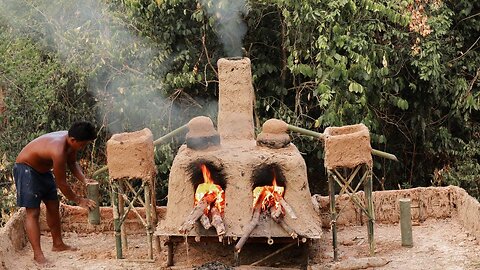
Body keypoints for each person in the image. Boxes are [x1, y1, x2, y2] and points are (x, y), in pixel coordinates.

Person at [13, 121, 97, 266]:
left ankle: (58, 244)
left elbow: (72, 163)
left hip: (43, 171)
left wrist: (83, 179)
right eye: (83, 145)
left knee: (53, 205)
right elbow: (62, 183)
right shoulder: (58, 150)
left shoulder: (71, 140)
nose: (83, 148)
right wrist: (79, 200)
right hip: (26, 169)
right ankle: (38, 255)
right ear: (73, 140)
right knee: (33, 212)